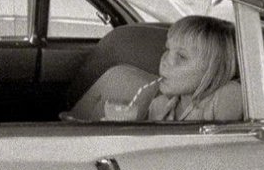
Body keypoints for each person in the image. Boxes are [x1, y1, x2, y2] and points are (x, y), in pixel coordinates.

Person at [67, 15, 243, 123]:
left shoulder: (227, 96)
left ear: (213, 68)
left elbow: (219, 156)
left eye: (181, 56)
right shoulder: (158, 106)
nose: (165, 60)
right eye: (167, 49)